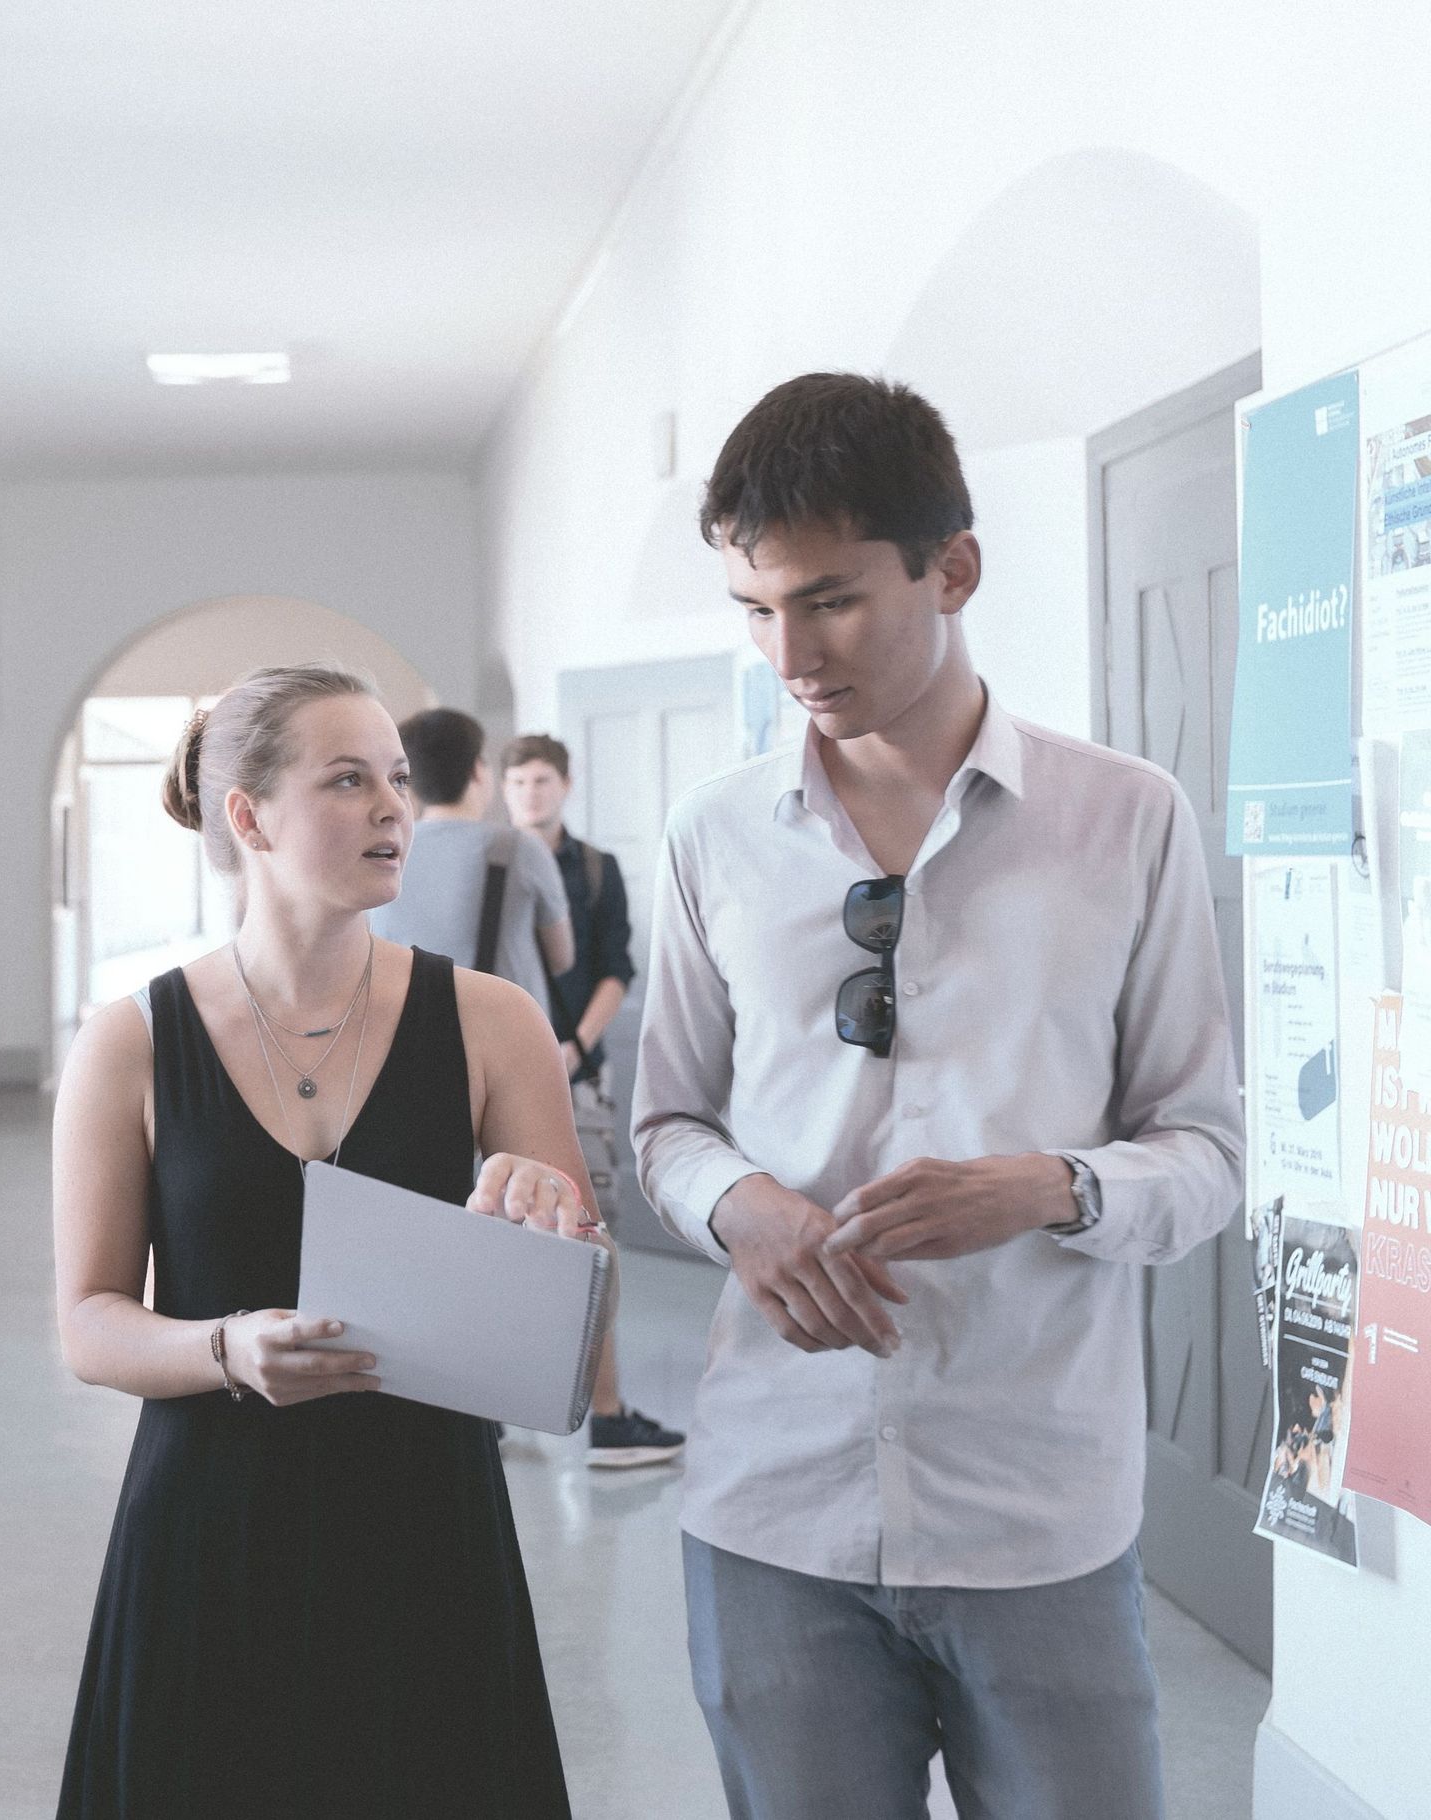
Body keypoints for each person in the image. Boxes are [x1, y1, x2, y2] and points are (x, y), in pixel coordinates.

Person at [632, 374, 1244, 1820]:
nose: (791, 651)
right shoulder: (712, 832)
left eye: (831, 600)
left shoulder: (1127, 817)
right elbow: (662, 1126)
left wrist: (1052, 1186)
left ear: (951, 567)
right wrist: (746, 1210)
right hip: (772, 1498)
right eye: (755, 607)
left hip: (1037, 1507)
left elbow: (1207, 1150)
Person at [52, 663, 613, 1818]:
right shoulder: (130, 1042)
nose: (393, 809)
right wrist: (227, 1349)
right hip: (210, 1527)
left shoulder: (491, 1019)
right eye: (348, 780)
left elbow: (575, 1315)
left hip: (425, 1527)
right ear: (248, 816)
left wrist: (538, 1221)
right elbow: (90, 1321)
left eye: (397, 780)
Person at [502, 733, 685, 1470]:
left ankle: (606, 1414)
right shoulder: (491, 863)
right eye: (517, 781)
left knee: (587, 1233)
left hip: (581, 1068)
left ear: (566, 786)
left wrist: (573, 1047)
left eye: (542, 780)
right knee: (491, 1238)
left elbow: (617, 969)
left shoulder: (596, 868)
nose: (530, 794)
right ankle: (492, 1407)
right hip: (499, 1072)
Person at [368, 706, 573, 1014]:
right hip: (510, 1039)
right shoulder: (519, 849)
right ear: (478, 770)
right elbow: (561, 958)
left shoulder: (384, 850)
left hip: (407, 1035)